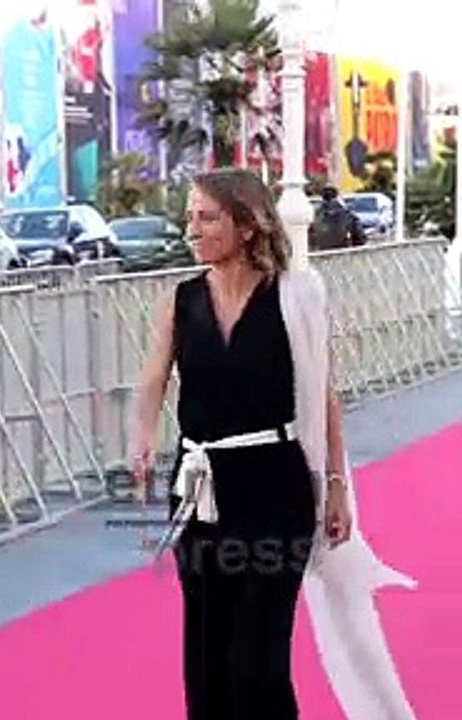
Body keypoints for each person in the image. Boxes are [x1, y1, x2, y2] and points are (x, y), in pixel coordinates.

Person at [131, 168, 416, 720]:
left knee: (259, 658)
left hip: (274, 485)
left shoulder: (296, 297)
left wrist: (336, 485)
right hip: (200, 490)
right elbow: (152, 378)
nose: (192, 229)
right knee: (208, 651)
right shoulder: (181, 301)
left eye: (206, 217)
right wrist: (141, 440)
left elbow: (323, 394)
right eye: (190, 216)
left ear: (246, 225)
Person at [309, 186, 366, 250]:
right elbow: (360, 236)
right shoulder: (346, 213)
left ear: (322, 197)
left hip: (321, 252)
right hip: (341, 251)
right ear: (337, 196)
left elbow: (310, 236)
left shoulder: (315, 214)